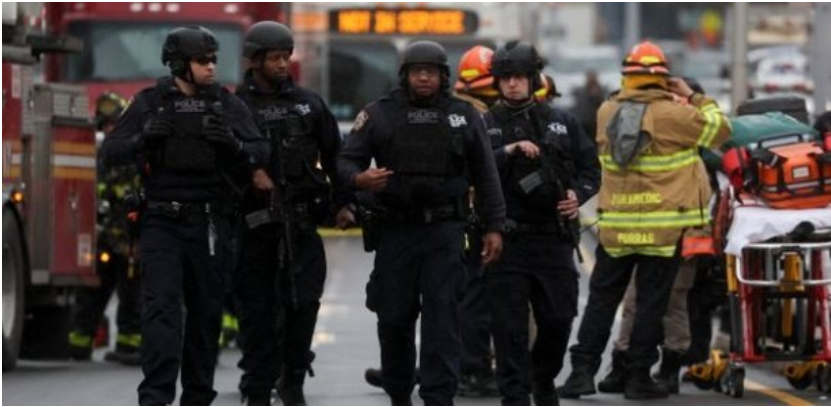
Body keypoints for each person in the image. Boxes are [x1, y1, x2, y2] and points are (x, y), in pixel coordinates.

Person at [102, 25, 269, 406]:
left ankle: (197, 397)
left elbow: (261, 153)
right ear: (179, 63)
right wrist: (143, 137)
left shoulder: (226, 105)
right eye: (202, 61)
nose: (211, 67)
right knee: (161, 311)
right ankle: (156, 398)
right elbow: (110, 152)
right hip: (162, 222)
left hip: (210, 222)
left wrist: (233, 144)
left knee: (206, 315)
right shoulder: (150, 103)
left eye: (213, 60)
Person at [558, 40, 730, 400]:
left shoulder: (608, 110)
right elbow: (720, 130)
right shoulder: (674, 114)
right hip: (662, 231)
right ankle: (638, 377)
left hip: (617, 229)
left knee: (602, 302)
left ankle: (581, 372)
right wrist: (692, 96)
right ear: (663, 78)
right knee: (652, 304)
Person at [338, 40, 506, 406]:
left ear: (443, 76)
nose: (424, 77)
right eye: (417, 71)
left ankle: (438, 397)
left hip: (445, 232)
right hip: (396, 232)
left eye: (431, 71)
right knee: (394, 317)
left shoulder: (463, 115)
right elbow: (346, 162)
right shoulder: (379, 114)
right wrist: (359, 181)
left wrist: (494, 226)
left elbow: (486, 174)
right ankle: (399, 392)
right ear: (405, 75)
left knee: (442, 319)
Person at [232, 21, 351, 406]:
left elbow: (337, 157)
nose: (284, 64)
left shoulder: (309, 104)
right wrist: (251, 171)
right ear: (255, 61)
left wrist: (345, 203)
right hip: (254, 230)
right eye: (275, 58)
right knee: (258, 314)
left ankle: (294, 379)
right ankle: (257, 385)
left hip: (300, 225)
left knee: (304, 307)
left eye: (287, 56)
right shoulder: (236, 108)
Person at [484, 40, 600, 406]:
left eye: (519, 77)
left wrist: (576, 197)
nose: (513, 85)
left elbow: (590, 168)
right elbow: (471, 168)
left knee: (559, 318)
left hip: (553, 239)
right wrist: (509, 152)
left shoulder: (561, 122)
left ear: (533, 79)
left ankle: (543, 377)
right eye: (505, 78)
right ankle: (515, 394)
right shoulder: (485, 124)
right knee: (509, 328)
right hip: (508, 240)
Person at [598, 78, 711, 396]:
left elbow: (699, 198)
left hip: (682, 239)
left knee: (672, 303)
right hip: (653, 236)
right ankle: (626, 365)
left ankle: (669, 367)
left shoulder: (692, 150)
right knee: (635, 302)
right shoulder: (666, 137)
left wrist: (692, 239)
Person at [68, 91, 142, 366]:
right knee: (90, 296)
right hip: (103, 239)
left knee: (133, 294)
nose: (110, 129)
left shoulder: (135, 152)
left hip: (130, 241)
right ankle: (79, 343)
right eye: (106, 125)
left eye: (114, 124)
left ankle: (129, 344)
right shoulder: (98, 154)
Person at [570, 70, 607, 143]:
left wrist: (597, 95)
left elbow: (604, 104)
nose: (591, 79)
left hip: (597, 123)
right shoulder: (581, 91)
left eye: (592, 77)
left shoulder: (601, 90)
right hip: (584, 123)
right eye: (589, 77)